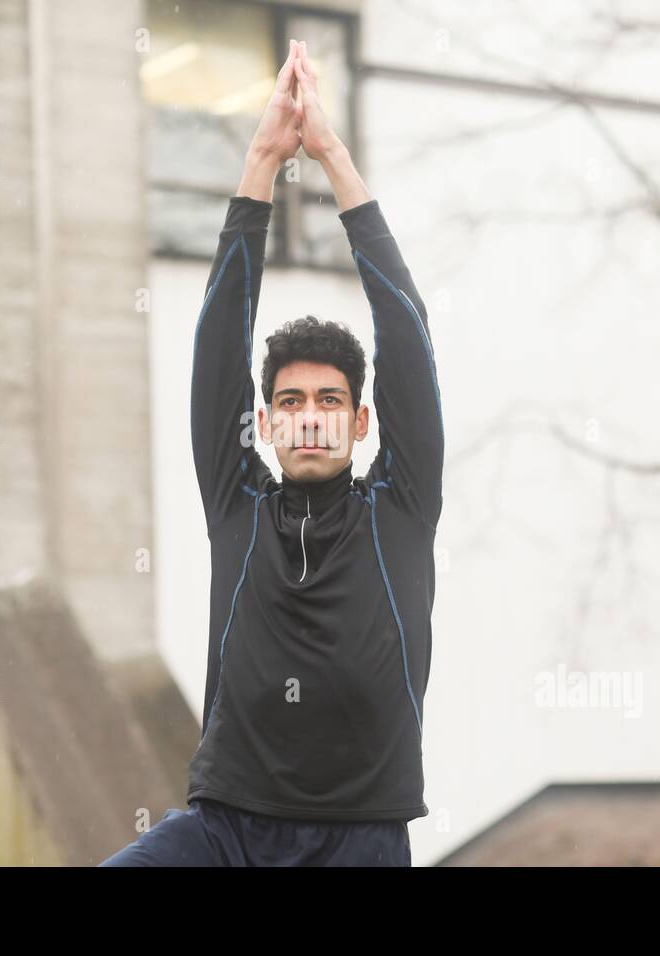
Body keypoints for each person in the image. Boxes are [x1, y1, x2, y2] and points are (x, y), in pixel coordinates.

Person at [100, 38, 442, 867]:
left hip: (361, 837)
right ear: (266, 423)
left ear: (362, 423)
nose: (312, 417)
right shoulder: (238, 503)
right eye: (291, 402)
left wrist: (330, 156)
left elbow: (405, 332)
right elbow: (218, 348)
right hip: (227, 832)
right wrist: (260, 160)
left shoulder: (399, 508)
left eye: (331, 401)